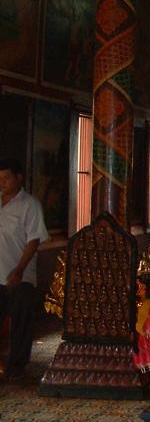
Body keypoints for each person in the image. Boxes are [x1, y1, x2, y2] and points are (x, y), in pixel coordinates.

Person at [0, 157, 50, 381]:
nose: (2, 183)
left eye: (6, 178)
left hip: (18, 276)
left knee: (20, 322)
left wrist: (20, 268)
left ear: (18, 177)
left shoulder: (30, 205)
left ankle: (17, 366)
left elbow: (34, 239)